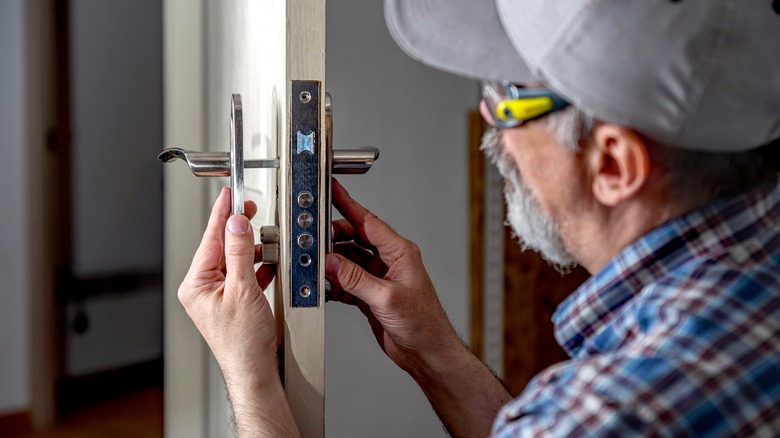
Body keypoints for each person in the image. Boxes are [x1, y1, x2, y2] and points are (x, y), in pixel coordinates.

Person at [177, 0, 780, 436]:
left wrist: (251, 378)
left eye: (510, 95)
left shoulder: (614, 410)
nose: (493, 129)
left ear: (615, 164)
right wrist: (434, 351)